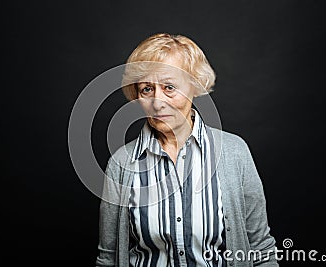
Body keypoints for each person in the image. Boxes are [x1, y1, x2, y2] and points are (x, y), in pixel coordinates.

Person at [96, 33, 278, 267]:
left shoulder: (235, 153)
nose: (157, 102)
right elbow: (109, 258)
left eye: (169, 87)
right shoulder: (121, 164)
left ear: (195, 85)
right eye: (146, 89)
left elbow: (261, 250)